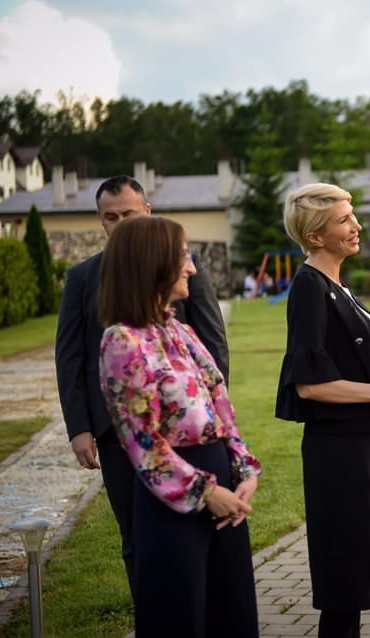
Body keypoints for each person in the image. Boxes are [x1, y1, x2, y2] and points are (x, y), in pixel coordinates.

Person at [55, 175, 229, 595]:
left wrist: (215, 418)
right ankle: (149, 612)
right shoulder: (82, 277)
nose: (119, 223)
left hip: (186, 429)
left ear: (147, 212)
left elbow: (212, 344)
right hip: (116, 431)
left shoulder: (183, 268)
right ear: (101, 221)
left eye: (128, 214)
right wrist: (79, 427)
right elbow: (70, 356)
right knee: (135, 531)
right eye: (109, 217)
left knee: (194, 522)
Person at [99, 216, 260, 637]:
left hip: (225, 496)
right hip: (174, 503)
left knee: (232, 614)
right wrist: (207, 492)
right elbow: (143, 443)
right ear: (152, 262)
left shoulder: (181, 330)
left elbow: (222, 407)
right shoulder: (123, 342)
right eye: (183, 256)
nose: (191, 267)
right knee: (182, 617)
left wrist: (244, 471)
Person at [274, 183, 370, 638]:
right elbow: (311, 384)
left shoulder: (336, 286)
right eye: (344, 219)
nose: (356, 226)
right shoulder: (309, 288)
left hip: (355, 450)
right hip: (333, 454)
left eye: (352, 215)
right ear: (316, 236)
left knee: (354, 577)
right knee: (343, 582)